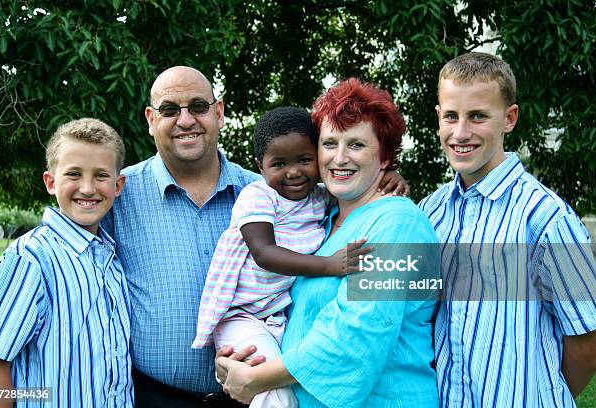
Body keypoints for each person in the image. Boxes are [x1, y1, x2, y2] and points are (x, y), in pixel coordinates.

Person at [101, 66, 409, 407]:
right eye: (170, 109)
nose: (185, 120)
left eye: (199, 107)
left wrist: (384, 173)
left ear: (218, 112)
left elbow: (365, 330)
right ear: (150, 118)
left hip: (264, 390)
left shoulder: (280, 193)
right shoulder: (118, 193)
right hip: (158, 397)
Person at [216, 78, 440, 407]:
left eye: (356, 145)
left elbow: (357, 332)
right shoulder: (322, 220)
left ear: (384, 156)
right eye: (330, 143)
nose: (339, 157)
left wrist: (257, 379)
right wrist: (241, 358)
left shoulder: (399, 224)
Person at [419, 52, 596, 407]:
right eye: (451, 116)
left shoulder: (546, 218)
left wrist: (543, 394)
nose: (461, 132)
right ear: (438, 118)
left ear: (509, 118)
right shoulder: (430, 211)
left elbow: (588, 339)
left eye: (478, 116)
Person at [192, 106, 372, 408]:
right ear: (260, 166)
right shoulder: (258, 196)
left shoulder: (319, 196)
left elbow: (358, 185)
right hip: (242, 316)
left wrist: (386, 175)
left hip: (278, 316)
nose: (294, 172)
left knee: (281, 387)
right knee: (275, 391)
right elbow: (264, 253)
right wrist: (328, 265)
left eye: (304, 159)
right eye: (279, 164)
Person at [0, 118, 132, 407]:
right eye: (73, 174)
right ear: (51, 182)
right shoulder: (30, 258)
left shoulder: (111, 258)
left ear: (118, 185)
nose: (88, 188)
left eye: (101, 175)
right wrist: (46, 396)